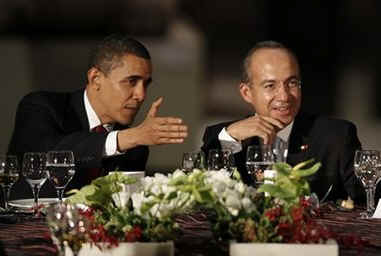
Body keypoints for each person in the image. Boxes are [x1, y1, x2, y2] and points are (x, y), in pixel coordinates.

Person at [7, 34, 188, 199]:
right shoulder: (40, 106)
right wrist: (129, 137)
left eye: (145, 84)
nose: (141, 95)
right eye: (131, 81)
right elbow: (50, 153)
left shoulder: (135, 148)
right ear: (96, 79)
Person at [201, 41, 365, 203]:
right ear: (246, 93)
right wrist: (230, 139)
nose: (284, 96)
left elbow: (371, 198)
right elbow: (200, 195)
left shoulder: (336, 136)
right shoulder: (223, 137)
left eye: (292, 83)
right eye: (270, 85)